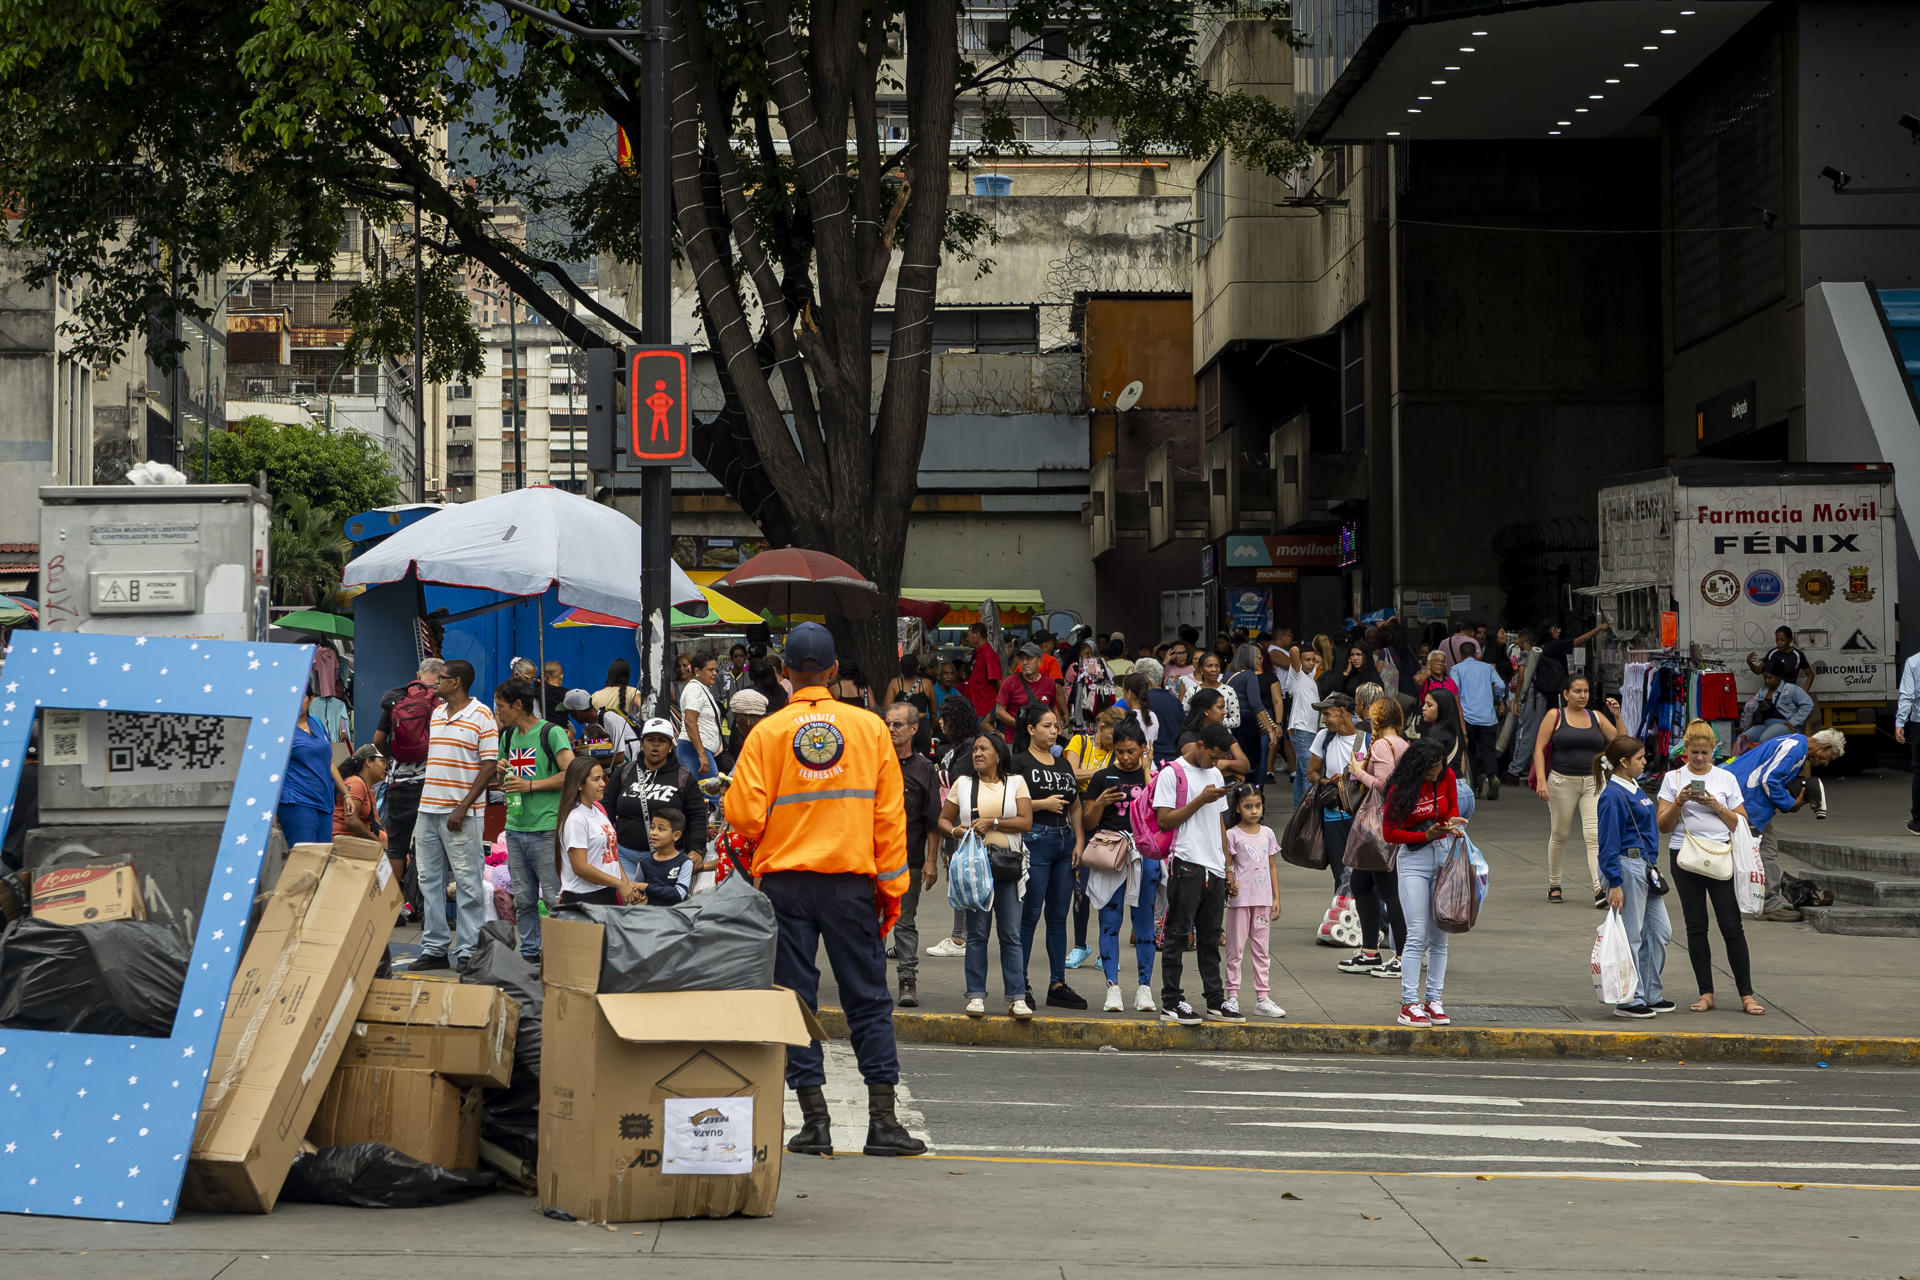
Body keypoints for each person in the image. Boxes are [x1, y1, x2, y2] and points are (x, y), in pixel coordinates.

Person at [722, 621, 923, 1158]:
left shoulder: (766, 733)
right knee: (868, 1000)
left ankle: (814, 1123)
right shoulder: (871, 729)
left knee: (793, 1000)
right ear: (834, 671)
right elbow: (889, 817)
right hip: (850, 885)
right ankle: (883, 1123)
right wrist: (891, 886)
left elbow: (740, 815)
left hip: (786, 885)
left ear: (786, 673)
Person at [1657, 720, 1762, 1016]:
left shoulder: (1726, 778)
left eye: (1704, 753)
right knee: (1696, 925)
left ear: (1713, 751)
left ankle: (1746, 994)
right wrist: (1680, 801)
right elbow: (1663, 826)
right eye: (1694, 753)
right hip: (1685, 855)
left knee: (1731, 925)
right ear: (1685, 752)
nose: (1699, 758)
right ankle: (1706, 992)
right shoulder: (1672, 779)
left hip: (1720, 855)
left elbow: (1740, 822)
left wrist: (1716, 805)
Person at [412, 659, 499, 970]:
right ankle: (435, 948)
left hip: (462, 813)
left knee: (468, 882)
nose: (436, 682)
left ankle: (467, 950)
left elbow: (489, 765)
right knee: (428, 880)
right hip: (428, 809)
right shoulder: (437, 713)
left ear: (457, 682)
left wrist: (463, 806)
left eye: (442, 678)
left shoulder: (483, 716)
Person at [940, 732, 1034, 1018]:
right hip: (975, 869)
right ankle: (976, 995)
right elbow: (944, 819)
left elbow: (1025, 821)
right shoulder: (963, 784)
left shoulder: (1016, 783)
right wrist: (956, 830)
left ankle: (1017, 997)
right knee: (978, 934)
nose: (977, 754)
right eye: (975, 749)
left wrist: (993, 822)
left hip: (1007, 866)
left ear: (998, 755)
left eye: (984, 749)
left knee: (1011, 934)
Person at [1154, 721, 1238, 1025]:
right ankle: (1171, 1000)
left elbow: (1219, 822)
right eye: (1212, 756)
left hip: (1214, 865)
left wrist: (1227, 865)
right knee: (1177, 934)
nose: (1215, 764)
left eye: (1219, 759)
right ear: (1200, 745)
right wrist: (1200, 799)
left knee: (1210, 937)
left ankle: (1215, 1000)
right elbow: (1165, 821)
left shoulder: (1214, 774)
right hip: (1186, 861)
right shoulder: (1171, 773)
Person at [1382, 737, 1465, 1028]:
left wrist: (1451, 824)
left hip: (1442, 854)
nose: (1436, 774)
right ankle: (1409, 1003)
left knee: (1441, 933)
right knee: (1417, 933)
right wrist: (1424, 836)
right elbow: (1390, 833)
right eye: (1430, 770)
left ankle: (1434, 999)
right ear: (1417, 767)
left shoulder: (1447, 776)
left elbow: (1452, 807)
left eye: (1439, 768)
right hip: (1413, 859)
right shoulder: (1399, 788)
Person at [1728, 729, 1846, 922]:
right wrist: (1789, 804)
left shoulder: (1793, 742)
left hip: (1742, 795)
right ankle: (1770, 905)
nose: (1825, 763)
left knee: (1752, 850)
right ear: (1824, 747)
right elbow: (1768, 779)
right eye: (1828, 757)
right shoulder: (1796, 749)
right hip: (1747, 799)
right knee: (1766, 851)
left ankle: (1759, 901)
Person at [495, 678, 576, 960]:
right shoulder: (507, 737)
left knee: (553, 897)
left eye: (501, 706)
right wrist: (500, 769)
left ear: (518, 705)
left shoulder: (551, 733)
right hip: (515, 827)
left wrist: (531, 786)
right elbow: (502, 781)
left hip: (545, 828)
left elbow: (571, 774)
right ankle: (530, 953)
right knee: (524, 898)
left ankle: (560, 954)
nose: (498, 712)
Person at [1081, 721, 1158, 1012]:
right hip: (1110, 853)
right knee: (1109, 922)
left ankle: (1144, 987)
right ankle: (1112, 987)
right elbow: (1088, 822)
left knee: (1144, 923)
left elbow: (1158, 814)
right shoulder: (1102, 777)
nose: (1125, 757)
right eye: (1120, 751)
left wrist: (1148, 772)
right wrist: (1099, 802)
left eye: (1131, 751)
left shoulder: (1152, 776)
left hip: (1144, 852)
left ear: (1142, 748)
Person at [1013, 705, 1086, 1008]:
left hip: (1064, 841)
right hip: (1035, 840)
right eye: (1046, 726)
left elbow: (1076, 805)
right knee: (1029, 915)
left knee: (1058, 916)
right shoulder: (1019, 762)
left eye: (1055, 726)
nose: (1054, 731)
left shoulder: (1063, 764)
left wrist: (1080, 842)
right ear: (1030, 729)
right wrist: (1041, 804)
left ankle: (1057, 984)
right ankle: (1020, 984)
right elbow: (1011, 803)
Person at [1594, 735, 1671, 1019]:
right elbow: (1608, 842)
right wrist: (1613, 882)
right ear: (1624, 763)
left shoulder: (1632, 785)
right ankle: (1629, 998)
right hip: (1627, 866)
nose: (1645, 762)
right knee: (1632, 935)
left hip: (1644, 867)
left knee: (1660, 932)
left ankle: (1650, 991)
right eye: (1640, 758)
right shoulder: (1613, 795)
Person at [1532, 674, 1619, 907]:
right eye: (1578, 691)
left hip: (1593, 782)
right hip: (1562, 782)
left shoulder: (1597, 717)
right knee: (1560, 834)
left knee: (1594, 836)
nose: (1583, 696)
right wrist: (1541, 779)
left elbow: (1622, 742)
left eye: (1586, 691)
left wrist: (1618, 716)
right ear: (1566, 694)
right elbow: (1539, 749)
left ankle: (1599, 888)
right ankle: (1554, 883)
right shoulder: (1555, 716)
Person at [1339, 696, 1410, 980]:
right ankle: (1371, 951)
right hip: (1391, 822)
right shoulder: (1404, 743)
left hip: (1378, 826)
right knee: (1361, 883)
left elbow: (1383, 785)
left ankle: (1403, 955)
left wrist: (1357, 771)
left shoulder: (1382, 744)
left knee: (1389, 891)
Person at [884, 700, 943, 1009]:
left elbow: (932, 821)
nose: (891, 729)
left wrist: (932, 860)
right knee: (870, 922)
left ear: (913, 728)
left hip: (910, 859)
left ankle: (907, 979)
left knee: (905, 922)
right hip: (872, 859)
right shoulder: (875, 762)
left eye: (897, 725)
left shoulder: (924, 769)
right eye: (888, 724)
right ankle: (868, 980)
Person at [373, 657, 443, 886]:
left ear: (418, 674)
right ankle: (426, 907)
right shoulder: (442, 702)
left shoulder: (399, 700)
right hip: (431, 783)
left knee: (396, 846)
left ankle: (395, 904)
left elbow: (378, 739)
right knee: (431, 845)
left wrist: (393, 759)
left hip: (399, 783)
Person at [1222, 786, 1284, 1019]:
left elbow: (1272, 866)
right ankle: (1232, 997)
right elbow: (1228, 865)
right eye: (1248, 806)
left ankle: (1262, 997)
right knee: (1235, 949)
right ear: (1237, 808)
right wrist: (1230, 883)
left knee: (1261, 950)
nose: (1254, 810)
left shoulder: (1267, 833)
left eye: (1258, 805)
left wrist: (1276, 897)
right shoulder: (1232, 835)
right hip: (1240, 901)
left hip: (1262, 901)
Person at [553, 757, 641, 907]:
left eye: (603, 778)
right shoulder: (576, 819)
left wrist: (626, 886)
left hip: (606, 893)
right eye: (596, 779)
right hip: (584, 899)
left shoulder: (599, 810)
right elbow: (580, 867)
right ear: (580, 784)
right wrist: (618, 884)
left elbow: (611, 854)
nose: (603, 784)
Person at [278, 677, 350, 847]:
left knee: (321, 858)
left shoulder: (316, 722)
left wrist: (345, 794)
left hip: (324, 800)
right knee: (304, 858)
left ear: (310, 700)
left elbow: (330, 762)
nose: (297, 700)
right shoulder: (281, 729)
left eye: (302, 696)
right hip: (296, 801)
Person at [1450, 641, 1507, 800]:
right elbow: (1501, 685)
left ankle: (1475, 783)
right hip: (1488, 717)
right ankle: (1492, 776)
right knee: (1488, 749)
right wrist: (1497, 697)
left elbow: (1454, 688)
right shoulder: (1487, 667)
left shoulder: (1457, 669)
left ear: (1460, 655)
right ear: (1476, 654)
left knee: (1471, 751)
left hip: (1468, 717)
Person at [1278, 647, 1324, 807]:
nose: (1311, 663)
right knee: (1308, 773)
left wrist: (1312, 655)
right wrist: (1300, 656)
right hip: (1301, 730)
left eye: (1313, 659)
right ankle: (1307, 811)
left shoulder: (1309, 675)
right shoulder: (1296, 675)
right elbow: (1294, 650)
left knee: (1301, 773)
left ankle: (1299, 807)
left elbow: (1319, 660)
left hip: (1308, 731)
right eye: (1307, 660)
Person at [1736, 669, 1814, 751]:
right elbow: (1751, 708)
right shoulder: (1763, 690)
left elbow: (1808, 704)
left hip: (1785, 725)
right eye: (1765, 678)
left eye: (1770, 678)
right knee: (1741, 740)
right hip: (1765, 725)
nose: (1767, 681)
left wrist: (1793, 722)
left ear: (1778, 677)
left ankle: (1765, 763)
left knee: (1764, 741)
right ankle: (1742, 763)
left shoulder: (1791, 689)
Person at [677, 650, 726, 779]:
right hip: (693, 749)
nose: (715, 673)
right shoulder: (695, 689)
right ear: (697, 671)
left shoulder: (701, 688)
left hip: (698, 749)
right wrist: (702, 754)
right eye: (711, 670)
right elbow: (690, 721)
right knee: (712, 794)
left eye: (715, 669)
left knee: (705, 794)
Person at [1227, 643, 1270, 789]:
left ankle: (1237, 795)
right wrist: (1270, 729)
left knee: (1236, 760)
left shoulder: (1228, 675)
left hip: (1232, 721)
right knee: (1251, 763)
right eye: (1257, 658)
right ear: (1249, 659)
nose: (1260, 661)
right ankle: (1251, 793)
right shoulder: (1249, 675)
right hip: (1247, 723)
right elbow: (1256, 704)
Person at [994, 643, 1060, 739]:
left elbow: (1053, 708)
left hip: (1041, 741)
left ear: (1039, 661)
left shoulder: (1049, 683)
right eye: (1022, 659)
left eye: (1029, 658)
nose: (1024, 662)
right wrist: (1020, 724)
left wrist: (1058, 728)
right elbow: (999, 711)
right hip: (1015, 740)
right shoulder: (1009, 682)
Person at [565, 687, 638, 771]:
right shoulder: (590, 725)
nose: (570, 717)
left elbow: (619, 758)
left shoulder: (610, 719)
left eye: (570, 713)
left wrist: (591, 763)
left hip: (629, 770)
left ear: (577, 712)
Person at [636, 806, 695, 905]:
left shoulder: (685, 862)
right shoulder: (643, 862)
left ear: (676, 835)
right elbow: (637, 889)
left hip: (674, 917)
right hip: (648, 916)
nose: (653, 833)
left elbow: (679, 895)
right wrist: (638, 897)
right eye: (652, 827)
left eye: (661, 829)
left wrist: (647, 887)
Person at [882, 655, 939, 754]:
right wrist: (931, 728)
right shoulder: (927, 684)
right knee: (922, 759)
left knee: (901, 758)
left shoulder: (895, 683)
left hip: (900, 726)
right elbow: (933, 711)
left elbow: (886, 710)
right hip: (921, 726)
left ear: (901, 667)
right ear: (918, 667)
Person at [333, 744, 386, 843]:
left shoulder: (367, 788)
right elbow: (351, 821)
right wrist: (378, 843)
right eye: (382, 761)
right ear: (369, 762)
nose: (386, 767)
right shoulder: (356, 783)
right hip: (346, 844)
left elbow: (376, 824)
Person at [1181, 650, 1241, 729]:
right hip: (1197, 737)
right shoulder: (1192, 691)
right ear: (1201, 669)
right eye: (1209, 666)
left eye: (1217, 666)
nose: (1214, 669)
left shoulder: (1228, 691)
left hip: (1222, 738)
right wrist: (1200, 723)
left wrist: (1216, 721)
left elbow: (1236, 721)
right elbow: (1183, 716)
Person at [1747, 625, 1814, 692]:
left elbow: (1810, 675)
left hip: (1788, 694)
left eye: (1782, 640)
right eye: (1777, 640)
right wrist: (1749, 663)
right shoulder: (1772, 653)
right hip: (1771, 694)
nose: (1779, 643)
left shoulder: (1798, 655)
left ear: (1790, 640)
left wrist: (1804, 693)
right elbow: (1758, 671)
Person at [1897, 646, 1920, 836]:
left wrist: (1900, 722)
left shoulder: (1913, 662)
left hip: (1919, 724)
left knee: (1919, 771)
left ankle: (1918, 821)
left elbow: (1907, 696)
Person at [963, 623, 1004, 720]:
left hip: (984, 711)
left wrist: (1001, 707)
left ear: (976, 634)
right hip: (974, 709)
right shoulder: (978, 654)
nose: (967, 639)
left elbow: (998, 682)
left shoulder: (988, 654)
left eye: (968, 635)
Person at [542, 660, 576, 731]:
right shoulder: (566, 693)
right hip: (563, 728)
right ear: (561, 677)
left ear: (544, 677)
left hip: (546, 728)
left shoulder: (540, 691)